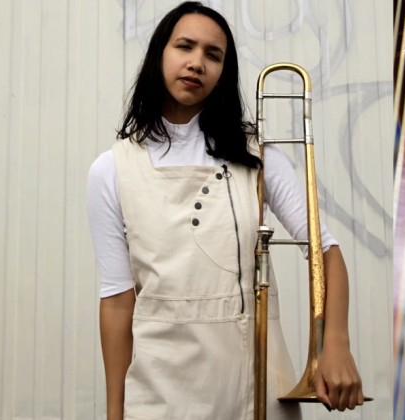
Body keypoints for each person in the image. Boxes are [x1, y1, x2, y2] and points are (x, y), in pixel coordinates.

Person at [86, 2, 363, 419]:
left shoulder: (260, 158)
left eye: (213, 55)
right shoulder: (111, 170)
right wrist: (114, 414)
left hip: (254, 388)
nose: (197, 63)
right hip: (158, 392)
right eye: (185, 46)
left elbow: (327, 251)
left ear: (223, 72)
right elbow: (117, 302)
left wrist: (335, 344)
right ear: (160, 53)